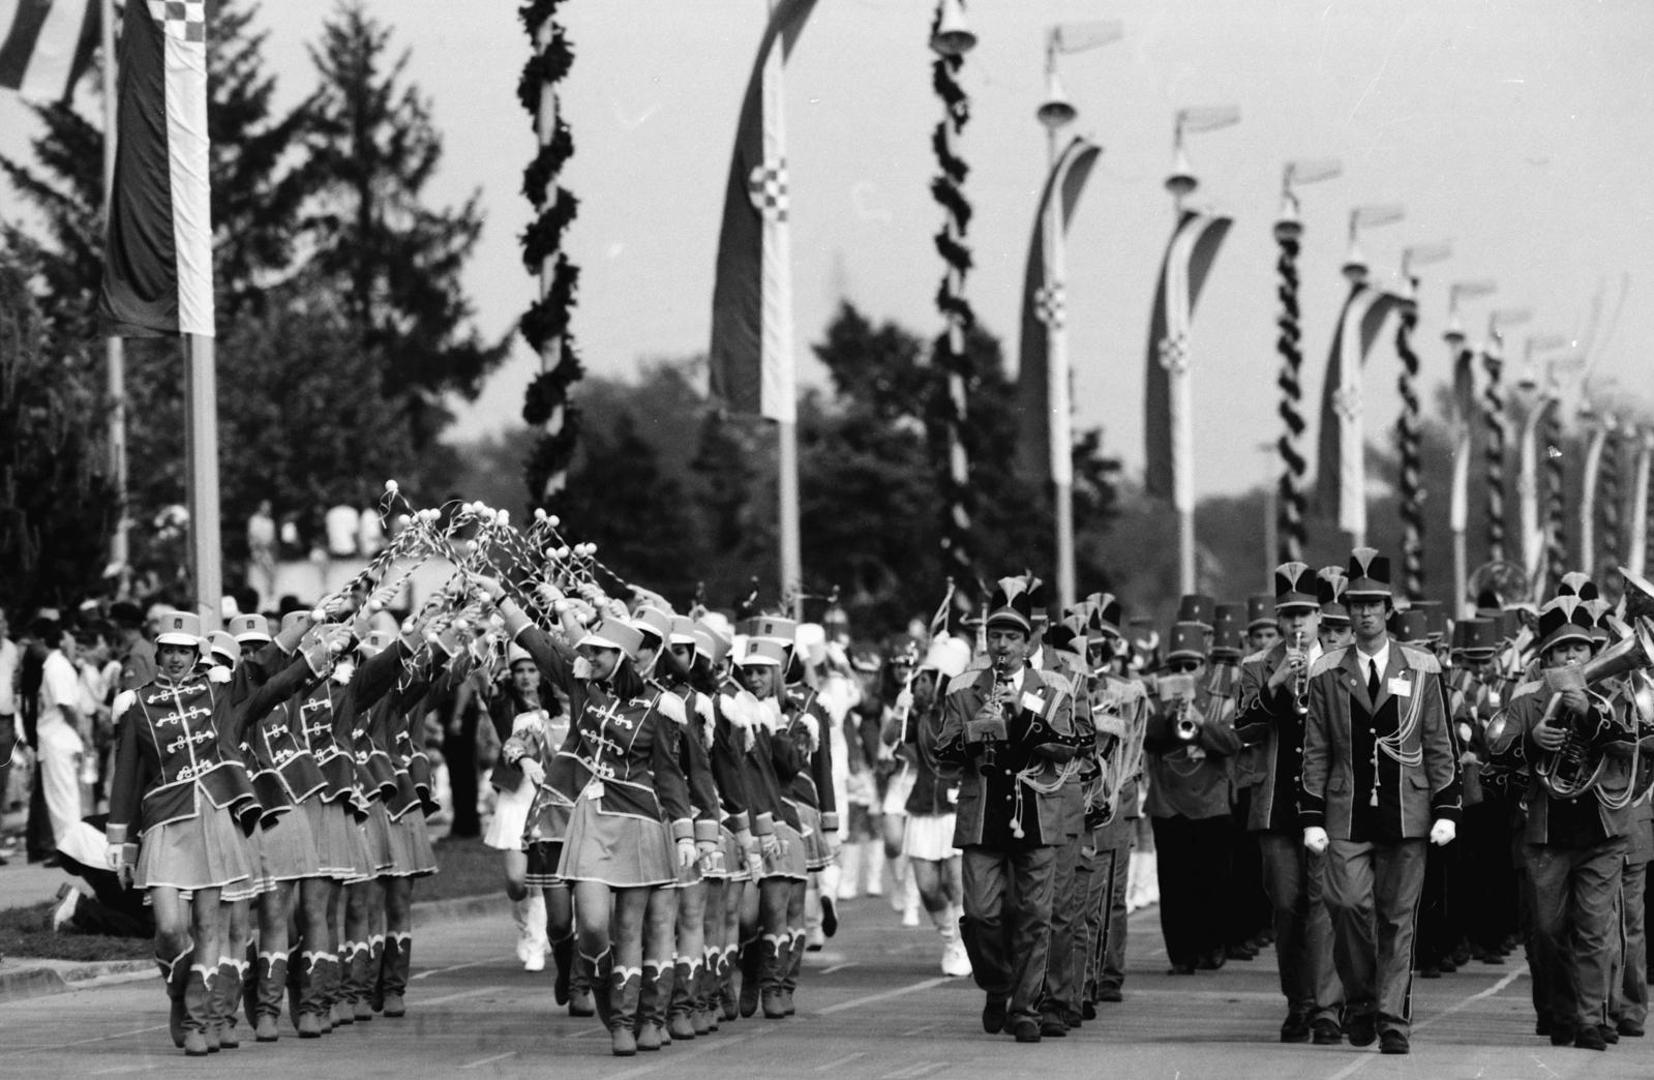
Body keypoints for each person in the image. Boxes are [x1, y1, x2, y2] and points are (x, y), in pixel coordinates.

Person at [105, 609, 329, 1056]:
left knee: (208, 925)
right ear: (158, 654)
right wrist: (120, 841)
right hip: (165, 820)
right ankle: (178, 992)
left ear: (196, 655)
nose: (175, 659)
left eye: (184, 651)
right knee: (170, 928)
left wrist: (309, 626)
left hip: (214, 816)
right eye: (168, 651)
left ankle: (197, 1019)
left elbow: (267, 669)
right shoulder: (137, 705)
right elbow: (126, 776)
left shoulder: (217, 691)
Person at [1300, 547, 1460, 1056]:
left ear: (1389, 609)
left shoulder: (1422, 666)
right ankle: (1363, 997)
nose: (1365, 613)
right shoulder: (1327, 670)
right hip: (1345, 810)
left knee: (1397, 920)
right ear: (1346, 610)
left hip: (1407, 810)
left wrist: (1447, 806)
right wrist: (1310, 815)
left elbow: (1438, 741)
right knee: (1345, 904)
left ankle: (1392, 1020)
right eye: (1357, 604)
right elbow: (1317, 747)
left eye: (1374, 604)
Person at [1486, 591, 1641, 1051]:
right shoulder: (1526, 700)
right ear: (1545, 659)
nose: (1572, 656)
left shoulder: (1612, 693)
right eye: (1561, 649)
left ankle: (1591, 1019)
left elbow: (1631, 744)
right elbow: (1497, 766)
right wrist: (1533, 741)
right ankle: (1561, 1010)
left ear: (1593, 652)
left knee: (1594, 929)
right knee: (1548, 932)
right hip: (1546, 833)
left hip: (1602, 830)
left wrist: (1589, 714)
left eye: (1580, 647)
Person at [935, 576, 1079, 1044]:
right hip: (982, 815)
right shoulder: (963, 687)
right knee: (981, 914)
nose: (1002, 646)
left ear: (1027, 642)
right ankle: (997, 984)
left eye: (1012, 637)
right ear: (986, 640)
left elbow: (1070, 746)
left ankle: (1025, 1009)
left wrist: (1026, 719)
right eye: (995, 636)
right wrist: (973, 731)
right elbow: (943, 755)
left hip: (1036, 810)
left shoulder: (1053, 686)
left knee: (1034, 916)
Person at [1234, 562, 1342, 1045]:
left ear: (1319, 616)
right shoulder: (1256, 665)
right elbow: (1243, 730)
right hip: (1276, 803)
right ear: (1278, 618)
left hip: (1329, 803)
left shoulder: (1339, 662)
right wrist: (1276, 683)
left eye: (1305, 613)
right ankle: (1298, 1002)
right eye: (1288, 614)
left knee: (1324, 905)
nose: (1297, 623)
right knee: (1286, 905)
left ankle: (1326, 1008)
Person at [1144, 618, 1242, 976]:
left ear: (1204, 666)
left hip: (1211, 801)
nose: (1184, 672)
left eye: (1191, 665)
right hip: (1169, 803)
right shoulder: (1155, 699)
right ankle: (1181, 954)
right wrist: (1168, 716)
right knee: (1175, 884)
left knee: (1213, 881)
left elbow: (1233, 742)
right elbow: (1146, 738)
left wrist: (1201, 723)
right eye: (1177, 666)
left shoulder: (1220, 700)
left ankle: (1212, 946)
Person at [31, 610, 86, 858]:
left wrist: (79, 733)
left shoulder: (56, 668)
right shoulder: (56, 666)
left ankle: (69, 848)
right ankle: (68, 846)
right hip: (58, 738)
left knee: (62, 797)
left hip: (59, 738)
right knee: (62, 795)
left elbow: (66, 706)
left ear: (42, 641)